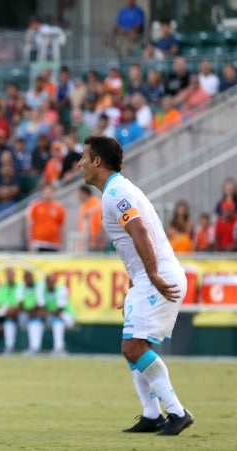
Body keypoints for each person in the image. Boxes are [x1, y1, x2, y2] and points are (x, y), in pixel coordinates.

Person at [78, 135, 193, 435]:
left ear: (97, 162)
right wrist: (136, 283)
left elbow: (139, 231)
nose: (79, 164)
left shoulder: (116, 192)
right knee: (133, 346)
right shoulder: (116, 190)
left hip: (158, 276)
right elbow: (135, 241)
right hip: (147, 277)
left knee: (132, 347)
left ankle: (177, 413)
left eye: (83, 157)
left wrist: (152, 277)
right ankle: (152, 414)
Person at [25, 184, 65, 251]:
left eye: (50, 192)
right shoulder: (35, 206)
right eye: (46, 192)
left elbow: (61, 227)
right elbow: (29, 226)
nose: (48, 194)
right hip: (38, 243)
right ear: (42, 192)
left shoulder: (59, 207)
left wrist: (62, 244)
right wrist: (29, 244)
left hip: (54, 244)